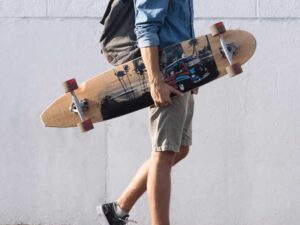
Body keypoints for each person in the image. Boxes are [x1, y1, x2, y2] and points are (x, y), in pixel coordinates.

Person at [97, 0, 196, 224]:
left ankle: (116, 210)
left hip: (182, 69)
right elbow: (146, 27)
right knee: (164, 152)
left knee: (179, 148)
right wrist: (156, 81)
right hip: (166, 72)